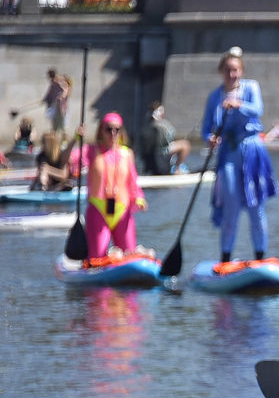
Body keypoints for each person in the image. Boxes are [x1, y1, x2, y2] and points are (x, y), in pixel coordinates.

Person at [201, 46, 278, 263]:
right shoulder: (215, 96)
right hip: (229, 155)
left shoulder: (251, 88)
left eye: (235, 70)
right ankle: (225, 259)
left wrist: (238, 104)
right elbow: (206, 128)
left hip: (252, 152)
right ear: (221, 71)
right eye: (227, 70)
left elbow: (258, 110)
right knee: (230, 209)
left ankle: (260, 257)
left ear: (241, 71)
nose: (231, 74)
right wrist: (210, 138)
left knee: (256, 208)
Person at [78, 113, 149, 260]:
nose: (113, 133)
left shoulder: (127, 154)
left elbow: (133, 181)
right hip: (99, 209)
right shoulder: (91, 151)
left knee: (129, 254)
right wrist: (76, 140)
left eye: (117, 129)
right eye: (108, 129)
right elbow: (69, 161)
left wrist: (139, 199)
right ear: (101, 131)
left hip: (122, 211)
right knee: (97, 257)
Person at [141, 101, 191, 176]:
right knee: (185, 145)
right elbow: (166, 138)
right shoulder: (156, 124)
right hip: (162, 149)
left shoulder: (158, 122)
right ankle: (177, 168)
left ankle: (177, 166)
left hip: (162, 148)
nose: (162, 113)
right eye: (160, 111)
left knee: (183, 143)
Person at [42, 69, 70, 133]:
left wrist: (62, 96)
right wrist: (45, 98)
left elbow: (66, 89)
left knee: (63, 125)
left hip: (61, 106)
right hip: (55, 106)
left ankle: (64, 140)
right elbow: (50, 91)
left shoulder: (60, 80)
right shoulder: (53, 82)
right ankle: (54, 138)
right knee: (54, 124)